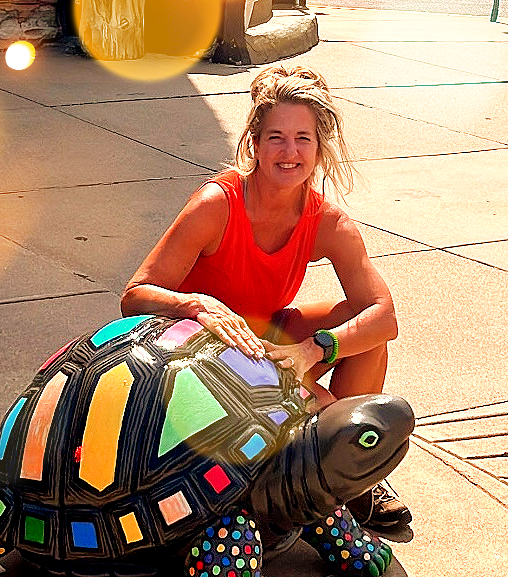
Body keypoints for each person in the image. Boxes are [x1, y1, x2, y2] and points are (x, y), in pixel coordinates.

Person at [121, 64, 411, 529]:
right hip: (198, 359)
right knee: (326, 416)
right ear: (255, 143)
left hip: (268, 344)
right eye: (276, 136)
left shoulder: (327, 222)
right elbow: (135, 295)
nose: (289, 151)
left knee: (365, 333)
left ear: (319, 149)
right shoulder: (217, 205)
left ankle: (356, 486)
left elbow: (384, 315)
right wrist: (192, 303)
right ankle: (336, 463)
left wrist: (314, 349)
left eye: (303, 138)